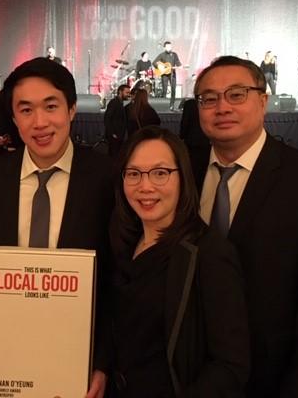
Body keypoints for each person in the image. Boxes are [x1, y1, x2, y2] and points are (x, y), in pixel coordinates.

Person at [193, 55, 298, 398]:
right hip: (191, 374)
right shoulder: (181, 172)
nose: (222, 107)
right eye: (209, 98)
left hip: (271, 378)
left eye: (236, 94)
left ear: (263, 101)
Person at [0, 57, 114, 398]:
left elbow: (116, 278)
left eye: (51, 106)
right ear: (15, 117)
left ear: (72, 109)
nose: (40, 122)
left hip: (80, 354)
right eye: (26, 110)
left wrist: (104, 362)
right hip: (7, 358)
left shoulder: (106, 177)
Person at [109, 126, 250, 397]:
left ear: (183, 178)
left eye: (160, 173)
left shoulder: (209, 253)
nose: (145, 186)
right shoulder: (122, 242)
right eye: (134, 173)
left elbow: (231, 366)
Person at [153, 41, 182, 111]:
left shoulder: (174, 54)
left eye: (170, 46)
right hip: (164, 74)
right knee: (164, 90)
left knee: (173, 89)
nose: (169, 48)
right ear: (165, 47)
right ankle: (164, 106)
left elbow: (178, 63)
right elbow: (154, 62)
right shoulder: (162, 55)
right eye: (168, 46)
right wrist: (160, 67)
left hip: (172, 73)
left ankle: (171, 105)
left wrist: (180, 66)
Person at [104, 84, 131, 158]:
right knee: (113, 156)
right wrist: (112, 133)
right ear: (120, 92)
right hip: (114, 136)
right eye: (127, 92)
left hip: (118, 135)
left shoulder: (120, 103)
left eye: (129, 93)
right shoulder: (114, 103)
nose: (128, 95)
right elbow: (107, 118)